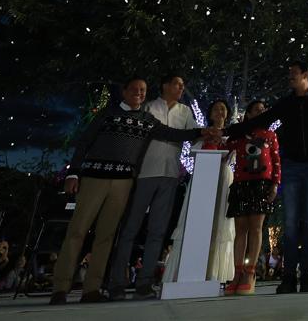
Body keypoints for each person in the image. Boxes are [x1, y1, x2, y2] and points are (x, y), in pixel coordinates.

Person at [50, 77, 206, 305]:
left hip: (123, 181)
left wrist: (207, 132)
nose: (139, 93)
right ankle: (60, 288)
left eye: (142, 90)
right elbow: (84, 141)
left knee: (107, 234)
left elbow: (174, 135)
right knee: (78, 231)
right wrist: (74, 173)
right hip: (96, 177)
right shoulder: (108, 113)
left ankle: (92, 289)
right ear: (124, 91)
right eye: (134, 89)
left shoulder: (146, 119)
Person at [225, 60, 308, 294]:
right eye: (289, 75)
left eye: (294, 74)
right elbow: (260, 121)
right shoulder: (286, 103)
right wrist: (227, 131)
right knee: (289, 222)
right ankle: (288, 276)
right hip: (292, 166)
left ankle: (307, 274)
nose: (290, 78)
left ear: (306, 74)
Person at [107, 73, 200, 300]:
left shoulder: (185, 112)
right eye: (177, 84)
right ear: (165, 85)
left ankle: (145, 283)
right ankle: (116, 283)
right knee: (130, 228)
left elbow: (196, 137)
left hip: (170, 176)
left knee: (157, 231)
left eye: (182, 85)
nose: (181, 88)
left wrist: (214, 139)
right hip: (144, 174)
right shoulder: (148, 107)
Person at [223, 99, 280, 296]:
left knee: (256, 228)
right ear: (247, 114)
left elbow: (276, 161)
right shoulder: (239, 135)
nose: (260, 113)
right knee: (241, 230)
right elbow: (225, 148)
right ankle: (237, 273)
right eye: (256, 110)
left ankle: (250, 272)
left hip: (261, 185)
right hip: (241, 184)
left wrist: (274, 185)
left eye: (263, 110)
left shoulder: (270, 135)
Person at [204, 99, 237, 287]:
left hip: (224, 176)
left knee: (221, 220)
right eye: (215, 109)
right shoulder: (203, 132)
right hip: (204, 175)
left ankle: (217, 272)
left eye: (223, 109)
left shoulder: (233, 134)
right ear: (210, 114)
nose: (219, 112)